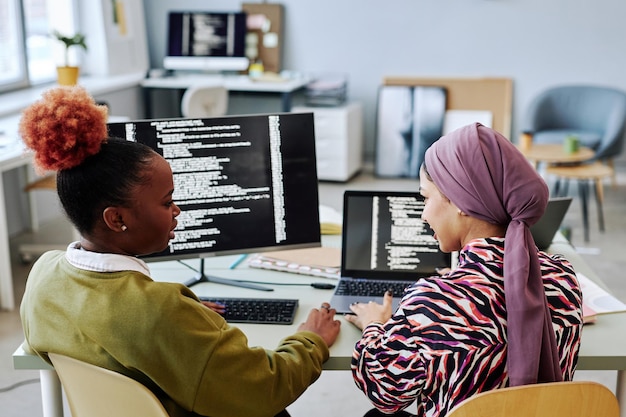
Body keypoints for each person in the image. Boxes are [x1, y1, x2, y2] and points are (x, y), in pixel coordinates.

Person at [18, 86, 341, 417]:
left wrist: (183, 320)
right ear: (117, 219)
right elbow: (266, 389)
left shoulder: (45, 273)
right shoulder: (159, 311)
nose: (177, 210)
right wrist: (311, 340)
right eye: (166, 201)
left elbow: (56, 340)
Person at [345, 123, 583, 417]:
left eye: (425, 197)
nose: (423, 214)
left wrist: (374, 326)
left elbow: (384, 393)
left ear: (460, 201)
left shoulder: (433, 302)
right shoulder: (564, 278)